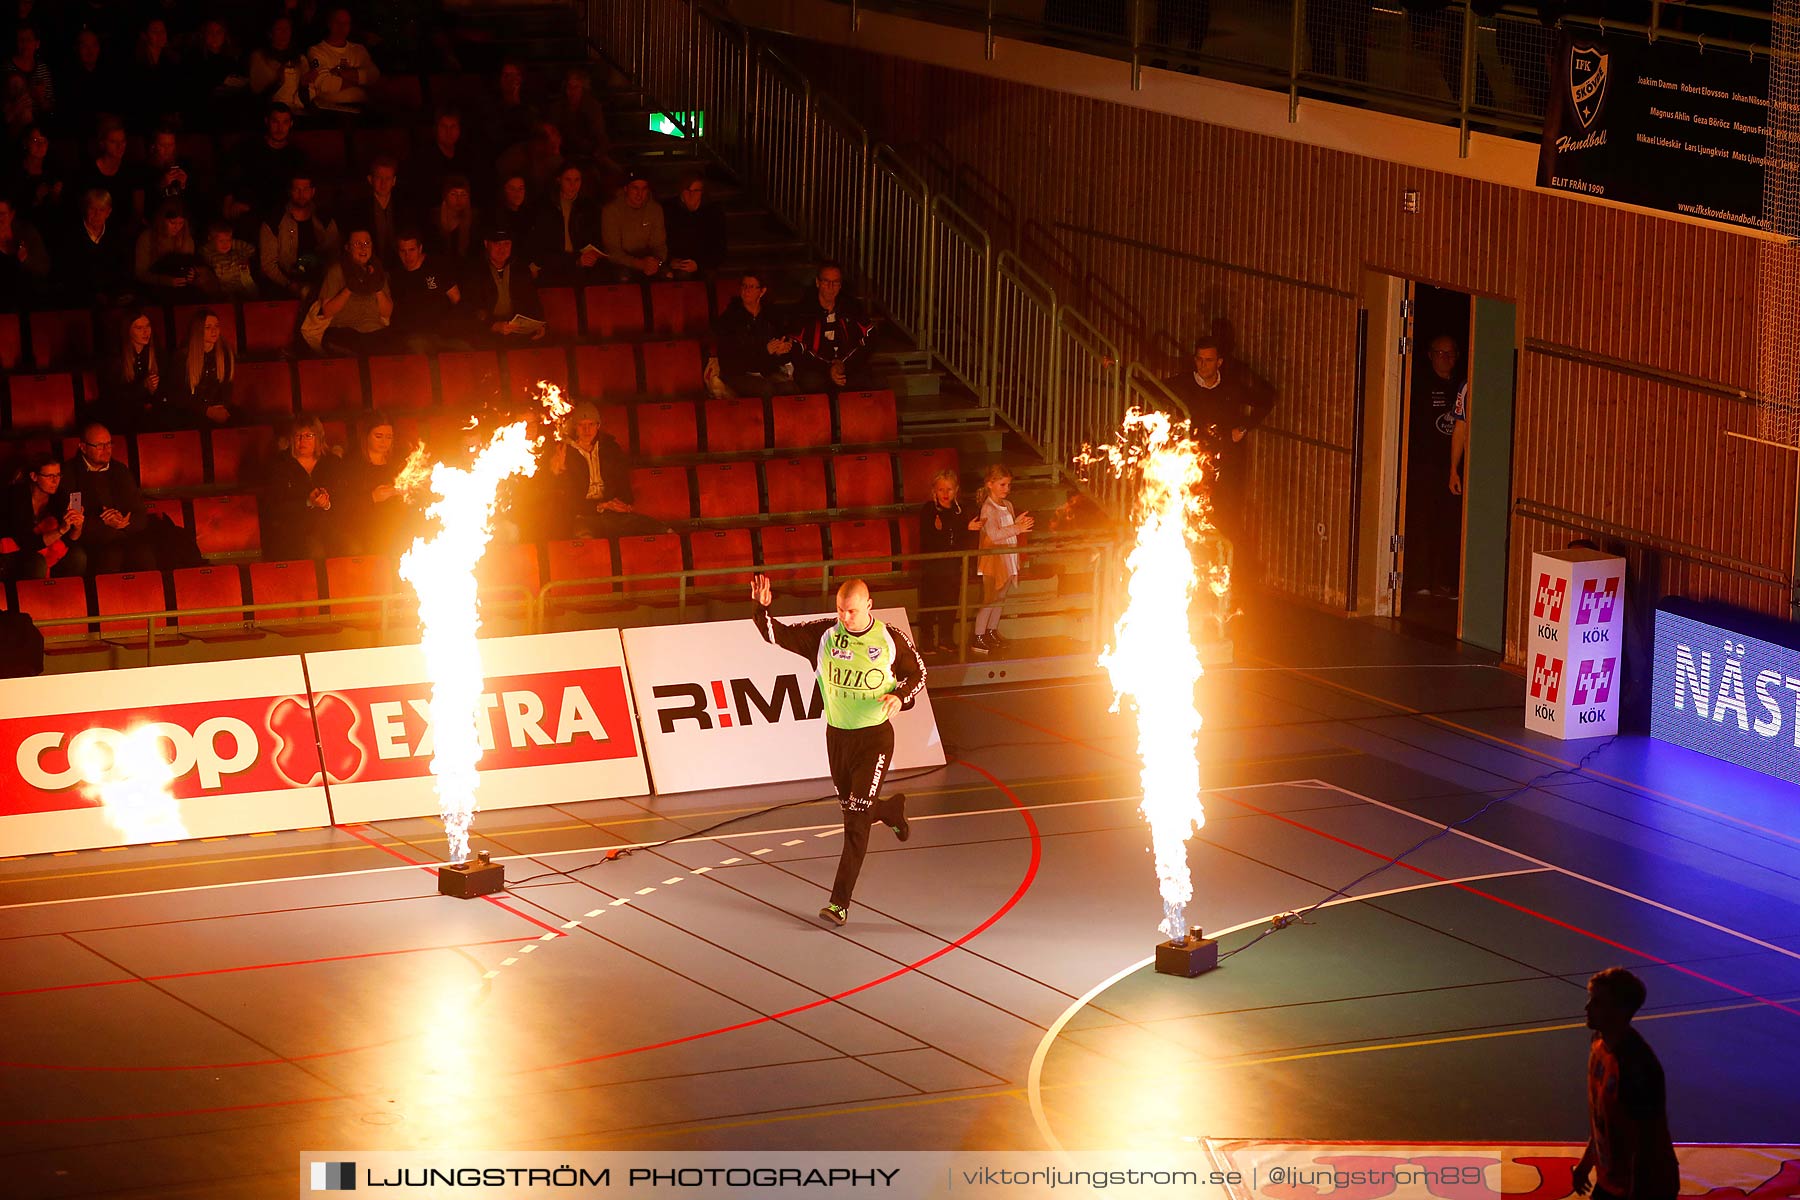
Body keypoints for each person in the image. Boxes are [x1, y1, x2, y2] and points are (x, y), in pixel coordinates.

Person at [750, 572, 924, 928]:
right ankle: (890, 810)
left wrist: (900, 696)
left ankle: (839, 903)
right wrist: (762, 609)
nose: (846, 618)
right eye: (841, 611)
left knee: (855, 820)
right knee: (854, 805)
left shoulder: (890, 639)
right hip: (837, 738)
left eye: (853, 612)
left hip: (874, 739)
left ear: (869, 606)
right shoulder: (826, 635)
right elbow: (777, 635)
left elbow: (918, 673)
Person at [1575, 968, 1680, 1200]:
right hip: (1613, 1179)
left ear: (1620, 1011)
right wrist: (1586, 1164)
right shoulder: (1599, 1043)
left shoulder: (1636, 1069)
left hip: (1643, 1188)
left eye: (1598, 1002)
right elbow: (1604, 1121)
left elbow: (1644, 1147)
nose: (1587, 1008)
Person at [1165, 335, 1272, 548]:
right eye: (1199, 359)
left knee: (1225, 516)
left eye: (1209, 360)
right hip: (1194, 462)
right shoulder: (1184, 383)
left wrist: (1244, 427)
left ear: (1219, 362)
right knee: (1193, 514)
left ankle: (1227, 569)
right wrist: (1117, 369)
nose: (1203, 365)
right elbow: (1150, 385)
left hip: (1227, 463)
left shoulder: (1231, 387)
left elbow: (1267, 399)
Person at [543, 400, 662, 537]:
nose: (586, 430)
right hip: (583, 516)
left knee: (659, 531)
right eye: (582, 425)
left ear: (598, 425)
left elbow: (623, 482)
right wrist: (559, 471)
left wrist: (623, 503)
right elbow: (568, 500)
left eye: (591, 424)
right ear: (575, 427)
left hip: (612, 514)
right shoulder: (566, 453)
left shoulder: (610, 449)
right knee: (585, 540)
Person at [1406, 334, 1467, 598]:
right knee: (1423, 522)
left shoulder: (1463, 384)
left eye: (1451, 353)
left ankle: (1447, 580)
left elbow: (1461, 426)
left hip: (1451, 468)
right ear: (1430, 355)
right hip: (1424, 465)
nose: (1446, 358)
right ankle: (1420, 579)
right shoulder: (1419, 385)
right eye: (1440, 353)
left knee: (1449, 525)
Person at [63, 422, 156, 574]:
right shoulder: (70, 473)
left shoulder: (120, 471)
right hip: (91, 540)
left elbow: (140, 514)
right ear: (83, 447)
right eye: (99, 446)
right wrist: (103, 523)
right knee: (110, 556)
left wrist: (124, 521)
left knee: (144, 554)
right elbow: (72, 520)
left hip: (124, 536)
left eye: (109, 444)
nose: (106, 450)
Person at [917, 467, 982, 654]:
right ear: (934, 491)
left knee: (950, 603)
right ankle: (927, 641)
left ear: (956, 490)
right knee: (929, 604)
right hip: (933, 566)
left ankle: (946, 638)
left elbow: (959, 540)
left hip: (953, 566)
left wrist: (960, 530)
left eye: (949, 489)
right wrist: (957, 529)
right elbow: (932, 539)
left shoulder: (959, 511)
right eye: (941, 490)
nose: (945, 494)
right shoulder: (929, 510)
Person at [972, 463, 1033, 654]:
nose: (1007, 489)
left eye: (1008, 485)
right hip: (993, 560)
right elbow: (995, 534)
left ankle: (991, 631)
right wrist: (1017, 528)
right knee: (990, 599)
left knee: (1000, 599)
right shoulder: (988, 508)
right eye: (1002, 485)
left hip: (1008, 557)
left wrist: (1016, 523)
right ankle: (979, 635)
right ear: (990, 484)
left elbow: (1006, 529)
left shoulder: (1007, 505)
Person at [261, 414, 339, 561]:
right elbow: (274, 505)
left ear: (318, 438)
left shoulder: (331, 462)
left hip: (328, 526)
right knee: (314, 551)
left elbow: (342, 497)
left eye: (309, 435)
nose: (303, 441)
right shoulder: (280, 465)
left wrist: (326, 503)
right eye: (298, 436)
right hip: (292, 528)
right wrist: (308, 502)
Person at [334, 415, 415, 556]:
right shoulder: (352, 464)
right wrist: (372, 497)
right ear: (367, 436)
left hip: (394, 522)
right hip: (364, 525)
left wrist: (403, 491)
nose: (384, 442)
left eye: (389, 437)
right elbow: (344, 506)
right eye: (379, 436)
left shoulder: (398, 461)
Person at [792, 261, 873, 393]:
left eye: (835, 282)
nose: (831, 287)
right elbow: (798, 349)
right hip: (815, 369)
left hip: (846, 366)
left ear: (840, 285)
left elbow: (870, 338)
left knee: (865, 379)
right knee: (812, 382)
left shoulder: (851, 307)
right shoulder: (803, 310)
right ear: (818, 283)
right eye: (826, 281)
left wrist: (843, 365)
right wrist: (828, 368)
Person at [712, 270, 796, 398]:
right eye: (744, 286)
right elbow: (731, 359)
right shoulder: (730, 318)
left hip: (767, 370)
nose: (746, 290)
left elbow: (781, 342)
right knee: (766, 389)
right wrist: (765, 350)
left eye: (751, 287)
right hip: (739, 373)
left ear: (762, 291)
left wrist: (781, 351)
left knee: (790, 388)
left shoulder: (771, 315)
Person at [310, 226, 391, 355]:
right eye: (358, 244)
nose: (363, 248)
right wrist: (349, 287)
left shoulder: (378, 272)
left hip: (374, 331)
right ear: (348, 247)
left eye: (366, 243)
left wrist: (377, 287)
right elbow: (327, 311)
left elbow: (387, 312)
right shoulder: (336, 272)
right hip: (344, 330)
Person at [2, 451, 84, 577]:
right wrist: (61, 530)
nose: (55, 481)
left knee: (78, 556)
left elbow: (71, 539)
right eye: (49, 476)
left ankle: (65, 594)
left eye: (58, 475)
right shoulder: (16, 496)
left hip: (44, 548)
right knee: (37, 563)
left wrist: (77, 527)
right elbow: (26, 543)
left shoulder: (59, 495)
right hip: (13, 550)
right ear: (34, 476)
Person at [259, 171, 338, 298]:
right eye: (297, 189)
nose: (301, 194)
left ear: (313, 191)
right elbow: (268, 264)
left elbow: (334, 256)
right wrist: (289, 284)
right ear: (290, 191)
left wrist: (325, 283)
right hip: (284, 283)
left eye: (306, 189)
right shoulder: (274, 222)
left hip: (321, 283)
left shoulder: (325, 219)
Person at [463, 224, 546, 344]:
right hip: (485, 333)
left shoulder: (520, 270)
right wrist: (494, 325)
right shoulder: (475, 271)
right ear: (486, 244)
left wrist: (538, 324)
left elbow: (532, 300)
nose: (502, 249)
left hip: (516, 331)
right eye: (497, 244)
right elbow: (471, 307)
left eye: (507, 244)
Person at [389, 229, 466, 352]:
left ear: (420, 249)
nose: (407, 256)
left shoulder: (436, 266)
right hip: (415, 337)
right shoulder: (396, 276)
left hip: (444, 334)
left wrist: (454, 327)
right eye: (403, 251)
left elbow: (456, 298)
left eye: (412, 250)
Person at [524, 161, 600, 284]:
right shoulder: (545, 205)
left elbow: (594, 238)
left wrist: (590, 256)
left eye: (577, 180)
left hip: (581, 264)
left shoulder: (588, 207)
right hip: (552, 264)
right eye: (568, 180)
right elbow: (539, 242)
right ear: (559, 180)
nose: (573, 185)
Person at [57, 186, 132, 303]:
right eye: (92, 209)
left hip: (111, 297)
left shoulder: (117, 235)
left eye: (101, 210)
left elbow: (124, 268)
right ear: (85, 209)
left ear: (108, 212)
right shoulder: (70, 236)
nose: (97, 214)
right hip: (79, 297)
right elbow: (68, 272)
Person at [97, 308, 164, 431]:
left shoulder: (156, 353)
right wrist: (143, 386)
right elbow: (114, 397)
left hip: (149, 413)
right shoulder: (116, 359)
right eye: (139, 328)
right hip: (123, 416)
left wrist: (153, 394)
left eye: (148, 326)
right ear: (128, 331)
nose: (145, 332)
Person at [303, 6, 378, 113]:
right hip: (330, 111)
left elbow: (373, 75)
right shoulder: (317, 51)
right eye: (337, 22)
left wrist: (340, 73)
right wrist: (359, 80)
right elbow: (325, 84)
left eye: (346, 23)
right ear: (329, 24)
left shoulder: (359, 50)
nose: (342, 27)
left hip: (362, 108)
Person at [170, 309, 237, 426]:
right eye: (208, 327)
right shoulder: (183, 357)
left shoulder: (225, 353)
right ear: (198, 330)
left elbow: (227, 386)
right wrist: (206, 411)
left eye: (216, 326)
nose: (214, 330)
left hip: (217, 408)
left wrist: (221, 407)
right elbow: (179, 395)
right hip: (193, 412)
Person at [599, 170, 665, 281]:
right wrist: (637, 263)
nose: (640, 194)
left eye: (644, 189)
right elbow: (612, 250)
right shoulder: (611, 211)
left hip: (649, 261)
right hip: (622, 263)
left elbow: (660, 245)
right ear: (626, 188)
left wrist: (656, 262)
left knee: (667, 276)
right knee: (623, 277)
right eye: (635, 188)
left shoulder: (655, 209)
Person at [133, 199, 203, 300]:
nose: (177, 227)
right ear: (162, 220)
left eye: (181, 223)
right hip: (154, 289)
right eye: (173, 223)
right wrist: (167, 281)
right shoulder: (147, 238)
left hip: (181, 290)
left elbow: (189, 265)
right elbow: (141, 273)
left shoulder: (186, 239)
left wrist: (192, 275)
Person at [663, 171, 726, 278]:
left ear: (702, 192)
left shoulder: (713, 212)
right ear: (681, 192)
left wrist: (698, 264)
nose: (691, 194)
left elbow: (719, 247)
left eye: (696, 190)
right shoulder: (669, 210)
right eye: (688, 190)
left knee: (708, 275)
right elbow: (660, 241)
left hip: (703, 262)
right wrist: (670, 260)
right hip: (678, 262)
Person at [248, 16, 306, 112]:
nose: (284, 33)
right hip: (269, 112)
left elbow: (306, 98)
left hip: (295, 112)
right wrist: (278, 82)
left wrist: (304, 85)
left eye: (287, 28)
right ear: (270, 33)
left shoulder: (300, 59)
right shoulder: (259, 57)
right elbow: (256, 94)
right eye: (279, 29)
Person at [0, 193, 48, 307]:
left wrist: (26, 259)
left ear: (11, 215)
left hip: (28, 299)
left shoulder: (27, 232)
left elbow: (44, 267)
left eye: (2, 214)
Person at [199, 218, 258, 299]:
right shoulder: (211, 255)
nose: (225, 244)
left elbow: (251, 249)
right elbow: (203, 250)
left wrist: (232, 243)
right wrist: (213, 243)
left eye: (228, 240)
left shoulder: (237, 252)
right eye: (221, 241)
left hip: (243, 285)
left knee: (252, 297)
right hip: (224, 289)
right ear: (212, 240)